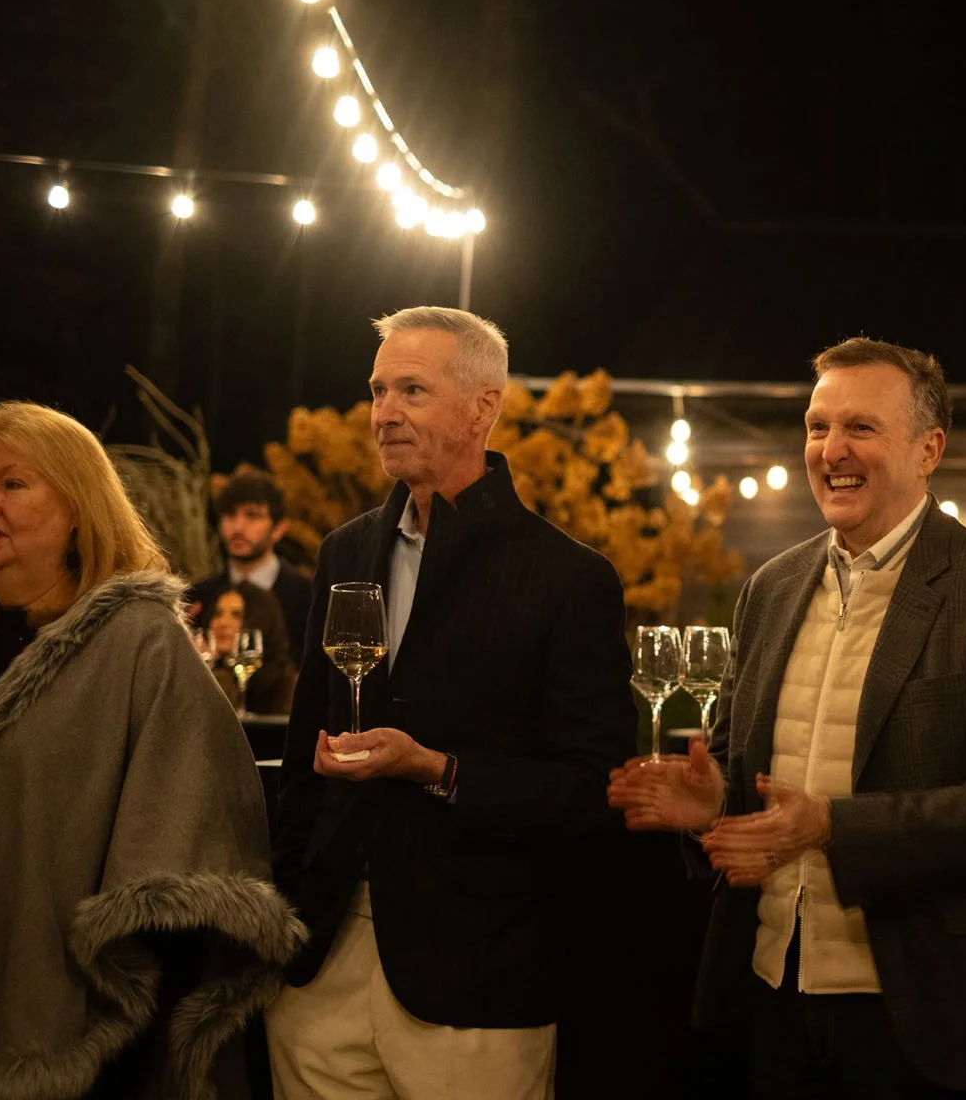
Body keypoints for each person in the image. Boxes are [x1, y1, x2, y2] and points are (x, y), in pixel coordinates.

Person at [610, 337, 966, 1098]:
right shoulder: (771, 587)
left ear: (929, 450)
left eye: (861, 427)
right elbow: (737, 771)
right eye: (818, 427)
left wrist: (829, 825)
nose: (831, 451)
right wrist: (712, 801)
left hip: (925, 1010)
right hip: (771, 989)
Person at [0, 401, 303, 1098]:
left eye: (14, 484)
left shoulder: (141, 647)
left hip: (61, 1044)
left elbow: (190, 859)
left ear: (77, 508)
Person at [268, 306, 634, 1100]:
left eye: (412, 390)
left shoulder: (569, 579)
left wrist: (439, 769)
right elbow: (302, 761)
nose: (384, 413)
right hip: (323, 967)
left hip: (476, 977)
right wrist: (287, 920)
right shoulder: (344, 551)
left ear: (482, 408)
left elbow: (592, 788)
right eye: (378, 390)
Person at [186, 473, 315, 659]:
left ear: (279, 529)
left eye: (252, 515)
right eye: (230, 515)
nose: (238, 527)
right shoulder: (198, 598)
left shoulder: (308, 597)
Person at [199, 579, 296, 715]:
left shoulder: (283, 681)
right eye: (218, 614)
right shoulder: (207, 671)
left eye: (236, 615)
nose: (222, 623)